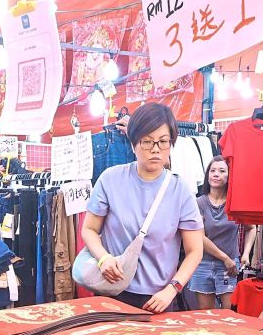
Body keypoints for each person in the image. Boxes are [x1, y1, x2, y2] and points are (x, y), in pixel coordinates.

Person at [81, 103, 204, 312]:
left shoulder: (180, 189)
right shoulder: (110, 179)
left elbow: (195, 250)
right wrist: (103, 258)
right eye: (147, 142)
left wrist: (173, 288)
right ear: (133, 144)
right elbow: (89, 229)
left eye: (163, 142)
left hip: (159, 299)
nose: (155, 149)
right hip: (111, 292)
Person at [188, 156, 239, 310]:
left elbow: (251, 228)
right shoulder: (198, 203)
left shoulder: (234, 203)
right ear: (207, 175)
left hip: (229, 265)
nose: (216, 174)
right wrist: (225, 258)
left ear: (229, 176)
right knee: (206, 316)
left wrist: (245, 254)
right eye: (212, 171)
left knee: (229, 315)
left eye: (222, 171)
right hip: (204, 262)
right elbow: (199, 237)